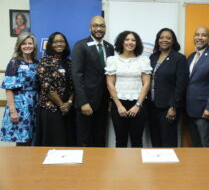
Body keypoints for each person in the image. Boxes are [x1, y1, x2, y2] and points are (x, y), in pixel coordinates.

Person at [72, 16, 114, 147]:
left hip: (103, 102)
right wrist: (84, 102)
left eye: (102, 26)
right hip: (86, 102)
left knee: (100, 138)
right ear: (90, 28)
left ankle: (99, 167)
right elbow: (77, 75)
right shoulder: (81, 45)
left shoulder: (109, 47)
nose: (99, 29)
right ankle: (84, 167)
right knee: (84, 139)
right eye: (95, 26)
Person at [106, 31, 151, 147]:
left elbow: (146, 84)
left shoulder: (143, 60)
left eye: (133, 40)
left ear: (137, 43)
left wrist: (137, 105)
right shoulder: (113, 60)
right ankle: (121, 166)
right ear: (122, 42)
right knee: (120, 140)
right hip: (119, 105)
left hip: (138, 105)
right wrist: (119, 106)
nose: (130, 42)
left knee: (137, 141)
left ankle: (137, 166)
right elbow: (110, 84)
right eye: (127, 39)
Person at [148, 28, 189, 147]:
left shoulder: (179, 58)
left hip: (168, 107)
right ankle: (156, 165)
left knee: (168, 141)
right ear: (157, 40)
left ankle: (169, 166)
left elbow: (181, 85)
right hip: (152, 106)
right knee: (155, 139)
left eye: (168, 38)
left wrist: (174, 107)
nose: (164, 40)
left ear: (173, 41)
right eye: (161, 37)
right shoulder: (153, 57)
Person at [35, 32, 74, 146]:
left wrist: (69, 103)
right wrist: (62, 105)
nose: (59, 44)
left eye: (62, 41)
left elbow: (74, 86)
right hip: (51, 109)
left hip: (68, 109)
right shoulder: (45, 61)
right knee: (53, 143)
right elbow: (47, 86)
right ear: (50, 44)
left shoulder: (69, 62)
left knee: (67, 142)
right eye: (56, 41)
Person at [0, 32, 38, 146]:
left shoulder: (37, 63)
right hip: (19, 105)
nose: (27, 46)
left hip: (34, 104)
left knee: (33, 138)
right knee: (22, 139)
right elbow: (8, 88)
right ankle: (21, 164)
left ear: (34, 45)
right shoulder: (14, 62)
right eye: (24, 43)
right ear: (19, 46)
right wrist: (13, 111)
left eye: (30, 43)